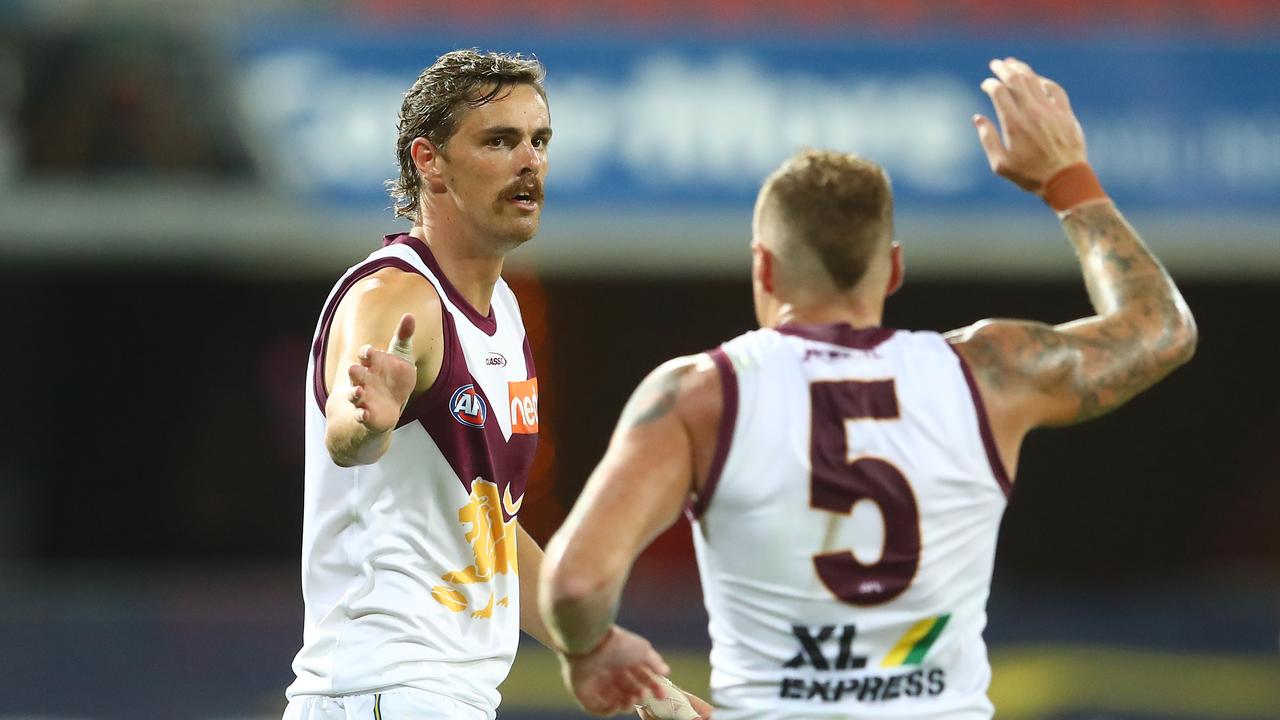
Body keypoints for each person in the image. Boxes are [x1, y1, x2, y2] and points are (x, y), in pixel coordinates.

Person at [539, 57, 1197, 719]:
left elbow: (577, 583)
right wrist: (1066, 179)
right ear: (895, 270)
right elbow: (1161, 330)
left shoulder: (701, 393)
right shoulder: (991, 372)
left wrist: (588, 650)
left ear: (763, 267)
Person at [283, 49, 672, 720]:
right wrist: (364, 421)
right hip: (382, 689)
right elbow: (348, 435)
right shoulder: (396, 296)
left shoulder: (506, 313)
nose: (530, 161)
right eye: (500, 141)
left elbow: (492, 532)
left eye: (539, 141)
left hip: (437, 697)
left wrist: (589, 646)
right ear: (429, 159)